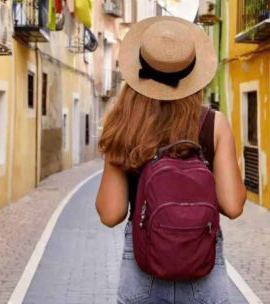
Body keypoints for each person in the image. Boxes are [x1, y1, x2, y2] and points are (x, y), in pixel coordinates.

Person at [95, 16, 246, 304]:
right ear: (193, 74)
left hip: (143, 269)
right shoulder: (214, 124)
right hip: (203, 267)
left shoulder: (124, 126)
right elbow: (233, 205)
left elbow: (110, 213)